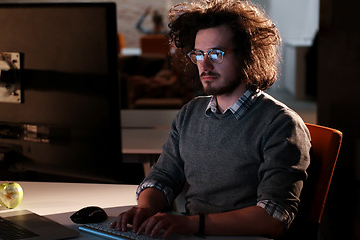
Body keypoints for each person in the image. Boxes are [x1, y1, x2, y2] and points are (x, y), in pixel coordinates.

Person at [112, 0, 311, 238]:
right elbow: (163, 177)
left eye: (216, 53)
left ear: (249, 55)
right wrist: (144, 209)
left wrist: (191, 224)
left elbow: (273, 218)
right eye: (198, 54)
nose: (204, 65)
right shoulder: (190, 113)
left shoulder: (281, 124)